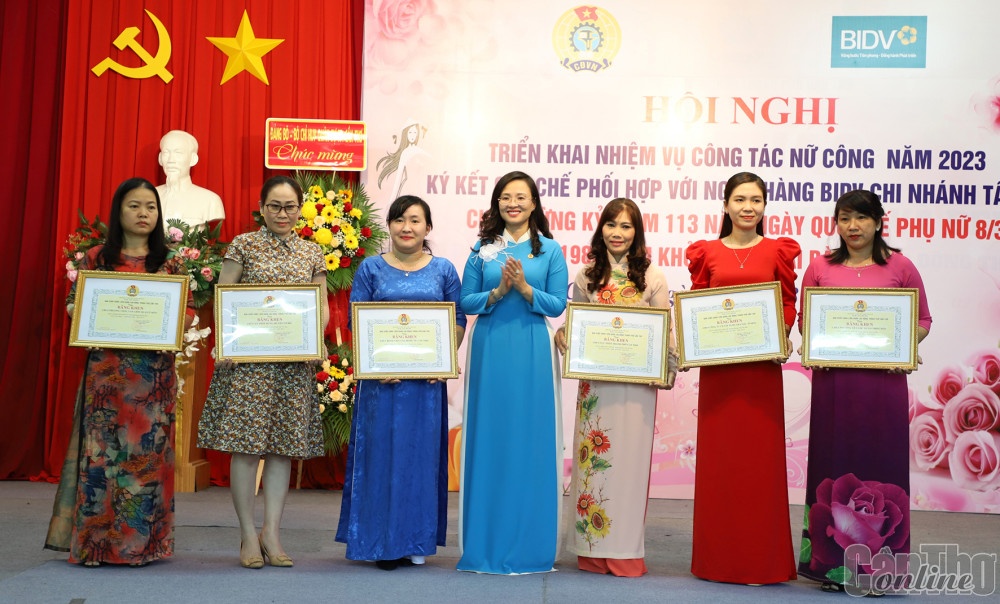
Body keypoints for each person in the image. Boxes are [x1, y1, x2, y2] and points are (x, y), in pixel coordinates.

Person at [45, 177, 192, 566]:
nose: (144, 213)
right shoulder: (97, 258)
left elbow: (188, 312)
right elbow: (73, 305)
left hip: (152, 380)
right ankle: (95, 546)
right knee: (102, 461)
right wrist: (83, 312)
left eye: (151, 207)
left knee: (146, 461)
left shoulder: (170, 262)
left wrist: (173, 321)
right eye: (134, 206)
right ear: (119, 210)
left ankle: (138, 548)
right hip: (106, 377)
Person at [796, 190, 931, 594]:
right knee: (832, 466)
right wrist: (814, 344)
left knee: (881, 466)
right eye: (844, 219)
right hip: (834, 387)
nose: (852, 227)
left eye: (861, 218)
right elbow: (806, 321)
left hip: (882, 386)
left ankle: (880, 572)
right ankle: (832, 569)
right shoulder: (820, 267)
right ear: (836, 224)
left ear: (878, 222)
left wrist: (904, 345)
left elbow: (923, 319)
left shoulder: (901, 266)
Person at [197, 175, 328, 569]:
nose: (282, 214)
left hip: (292, 365)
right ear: (261, 207)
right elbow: (223, 296)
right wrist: (225, 342)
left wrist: (317, 339)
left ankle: (271, 533)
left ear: (300, 209)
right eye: (275, 206)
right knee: (247, 447)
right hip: (249, 365)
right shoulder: (243, 244)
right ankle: (247, 533)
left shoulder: (311, 252)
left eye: (290, 206)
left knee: (282, 448)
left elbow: (320, 306)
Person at [336, 195, 467, 570]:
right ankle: (381, 543)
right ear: (389, 226)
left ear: (428, 227)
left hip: (426, 387)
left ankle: (415, 541)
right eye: (398, 220)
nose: (406, 227)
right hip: (381, 385)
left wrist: (444, 359)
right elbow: (356, 320)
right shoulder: (370, 268)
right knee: (380, 458)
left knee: (419, 459)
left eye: (414, 220)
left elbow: (457, 320)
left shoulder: (443, 270)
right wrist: (373, 365)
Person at [685, 171, 799, 585]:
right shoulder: (708, 252)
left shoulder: (776, 251)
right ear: (726, 205)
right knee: (721, 466)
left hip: (760, 373)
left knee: (759, 467)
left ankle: (761, 563)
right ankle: (716, 562)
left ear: (764, 206)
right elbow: (698, 304)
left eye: (755, 200)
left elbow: (787, 302)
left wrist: (781, 333)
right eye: (740, 199)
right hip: (720, 375)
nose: (748, 207)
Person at [554, 198, 677, 577]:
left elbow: (666, 331)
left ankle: (625, 551)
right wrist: (563, 334)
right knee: (595, 464)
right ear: (601, 229)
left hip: (637, 389)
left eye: (626, 226)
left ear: (636, 232)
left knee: (629, 467)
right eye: (611, 225)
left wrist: (667, 367)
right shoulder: (586, 275)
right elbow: (576, 324)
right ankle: (591, 551)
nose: (617, 233)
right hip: (597, 389)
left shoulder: (653, 277)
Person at [458, 171, 568, 574]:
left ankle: (531, 543)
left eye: (521, 197)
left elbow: (557, 304)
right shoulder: (482, 249)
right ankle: (485, 542)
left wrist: (523, 289)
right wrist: (498, 293)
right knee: (490, 437)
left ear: (534, 203)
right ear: (497, 203)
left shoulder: (550, 250)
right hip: (489, 347)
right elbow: (466, 300)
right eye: (506, 197)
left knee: (529, 438)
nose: (513, 203)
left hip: (533, 349)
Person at [156, 130, 226, 228]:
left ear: (193, 159)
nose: (171, 160)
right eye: (166, 153)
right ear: (160, 158)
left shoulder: (210, 200)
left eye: (178, 153)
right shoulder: (149, 196)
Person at [375, 121, 427, 201]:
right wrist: (391, 201)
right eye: (410, 132)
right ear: (405, 134)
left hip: (418, 187)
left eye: (415, 132)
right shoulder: (405, 153)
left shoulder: (420, 151)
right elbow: (398, 179)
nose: (413, 135)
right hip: (407, 188)